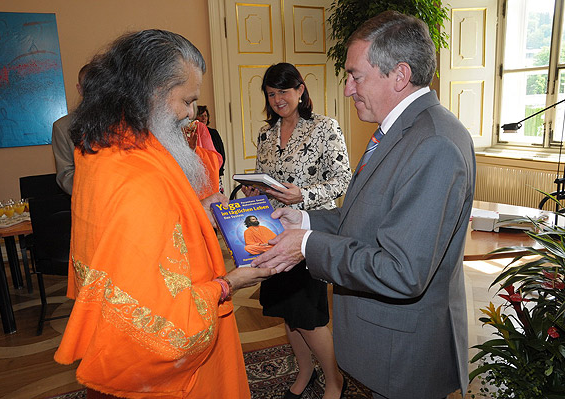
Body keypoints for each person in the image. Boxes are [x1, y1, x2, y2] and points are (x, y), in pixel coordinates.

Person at [252, 11, 475, 399]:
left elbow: (402, 271)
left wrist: (306, 245)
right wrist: (304, 218)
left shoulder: (434, 144)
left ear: (399, 76)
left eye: (355, 75)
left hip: (404, 355)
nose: (347, 89)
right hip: (384, 344)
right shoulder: (399, 133)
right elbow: (364, 216)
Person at [53, 30, 276, 399]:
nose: (191, 114)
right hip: (168, 373)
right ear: (150, 90)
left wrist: (197, 210)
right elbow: (156, 320)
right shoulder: (133, 173)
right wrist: (230, 283)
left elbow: (151, 232)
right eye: (187, 100)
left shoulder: (114, 144)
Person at [243, 62, 351, 399]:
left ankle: (334, 380)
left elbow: (343, 178)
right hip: (274, 232)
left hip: (310, 233)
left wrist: (303, 194)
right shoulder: (266, 134)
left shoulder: (324, 127)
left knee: (308, 315)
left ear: (300, 90)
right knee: (287, 313)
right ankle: (305, 371)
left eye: (283, 91)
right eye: (271, 93)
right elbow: (264, 176)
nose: (277, 99)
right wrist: (254, 190)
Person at [51, 64, 90, 195]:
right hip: (87, 203)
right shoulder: (63, 127)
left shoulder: (125, 122)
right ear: (80, 89)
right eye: (89, 85)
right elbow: (65, 175)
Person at [196, 105, 225, 185]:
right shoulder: (193, 132)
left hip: (215, 172)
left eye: (205, 116)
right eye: (201, 115)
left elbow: (221, 152)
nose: (204, 118)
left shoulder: (213, 133)